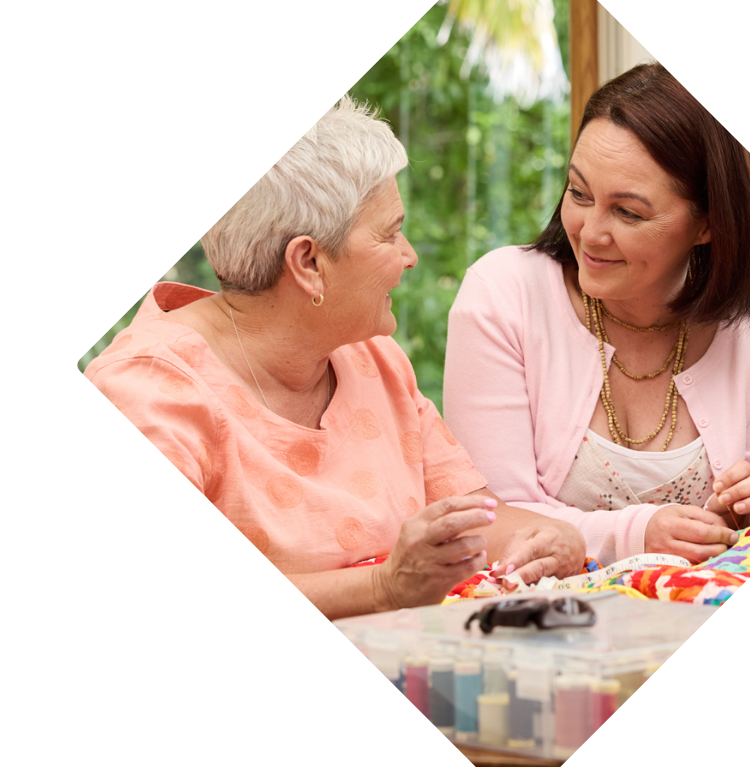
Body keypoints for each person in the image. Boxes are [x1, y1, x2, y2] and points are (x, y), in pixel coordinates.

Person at [84, 96, 585, 619]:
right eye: (390, 233)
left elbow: (479, 523)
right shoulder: (148, 390)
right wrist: (384, 589)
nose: (409, 256)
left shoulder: (376, 358)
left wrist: (550, 537)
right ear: (308, 262)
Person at [444, 63, 748, 568]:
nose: (589, 233)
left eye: (628, 212)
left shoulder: (740, 322)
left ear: (707, 224)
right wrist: (637, 535)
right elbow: (488, 519)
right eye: (579, 193)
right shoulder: (502, 294)